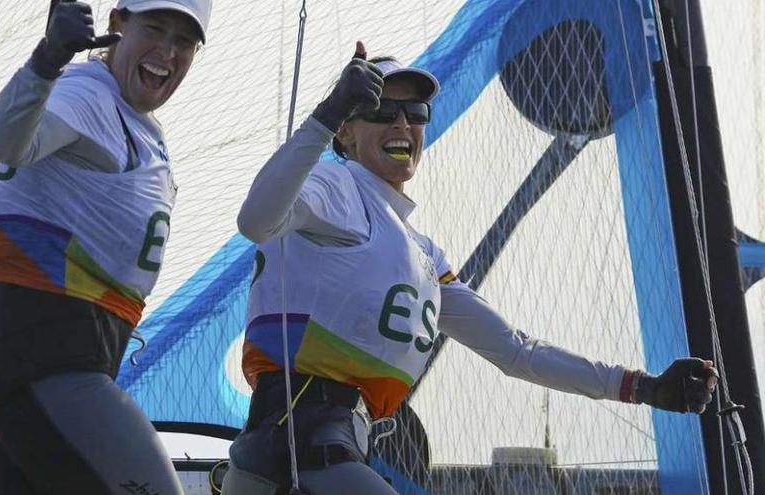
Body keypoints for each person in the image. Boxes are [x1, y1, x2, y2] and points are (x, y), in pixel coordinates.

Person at [222, 41, 720, 495]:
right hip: (298, 452)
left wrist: (642, 387)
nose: (401, 125)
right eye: (380, 109)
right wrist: (327, 112)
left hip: (333, 453)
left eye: (414, 112)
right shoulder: (335, 188)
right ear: (347, 133)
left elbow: (515, 351)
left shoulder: (424, 255)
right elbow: (256, 219)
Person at [0, 0, 211, 493]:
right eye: (154, 27)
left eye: (183, 41)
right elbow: (5, 146)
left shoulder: (124, 115)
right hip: (48, 362)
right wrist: (47, 58)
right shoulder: (88, 96)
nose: (167, 50)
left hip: (17, 362)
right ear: (116, 26)